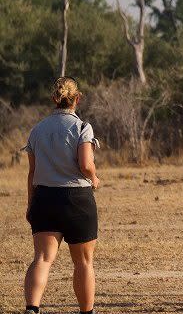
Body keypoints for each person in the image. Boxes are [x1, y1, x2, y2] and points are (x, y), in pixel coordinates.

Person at [23, 76, 100, 314]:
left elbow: (32, 172)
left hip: (44, 198)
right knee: (83, 262)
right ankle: (86, 312)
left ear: (54, 99)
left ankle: (32, 308)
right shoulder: (82, 127)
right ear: (77, 99)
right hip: (77, 200)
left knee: (43, 259)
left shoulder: (37, 130)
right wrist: (95, 178)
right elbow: (86, 164)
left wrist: (30, 203)